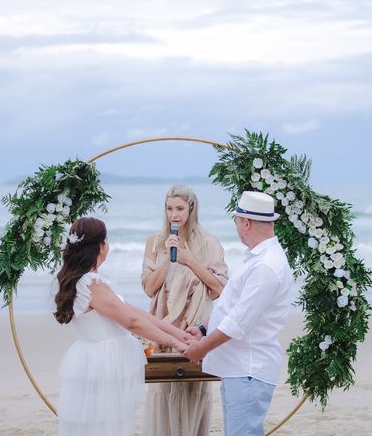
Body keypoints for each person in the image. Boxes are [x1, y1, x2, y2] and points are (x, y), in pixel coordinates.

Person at [54, 217, 191, 436]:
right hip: (104, 361)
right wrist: (175, 343)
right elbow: (131, 322)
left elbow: (135, 312)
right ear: (101, 246)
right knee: (104, 423)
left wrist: (179, 334)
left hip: (92, 357)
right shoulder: (91, 283)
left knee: (100, 421)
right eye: (107, 240)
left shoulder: (82, 279)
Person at [183, 191, 293, 436]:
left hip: (249, 369)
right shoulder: (257, 258)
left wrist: (203, 348)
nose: (236, 227)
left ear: (246, 222)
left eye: (236, 221)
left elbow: (238, 322)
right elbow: (234, 307)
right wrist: (203, 329)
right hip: (239, 369)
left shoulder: (266, 266)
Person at [141, 184, 228, 436]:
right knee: (164, 390)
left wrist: (190, 259)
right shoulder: (155, 242)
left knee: (192, 390)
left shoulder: (209, 243)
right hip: (163, 328)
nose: (174, 215)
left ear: (191, 208)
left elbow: (219, 287)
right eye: (169, 208)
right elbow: (149, 287)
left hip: (195, 329)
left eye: (179, 208)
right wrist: (168, 258)